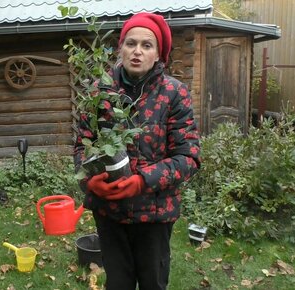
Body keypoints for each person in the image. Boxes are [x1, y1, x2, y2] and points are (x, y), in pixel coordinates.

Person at [73, 12, 201, 290]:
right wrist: (89, 181)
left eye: (147, 45)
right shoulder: (99, 92)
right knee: (118, 284)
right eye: (131, 43)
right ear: (120, 48)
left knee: (153, 283)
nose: (137, 52)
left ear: (158, 54)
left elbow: (188, 158)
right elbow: (82, 146)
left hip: (155, 213)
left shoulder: (174, 94)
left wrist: (143, 181)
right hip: (110, 212)